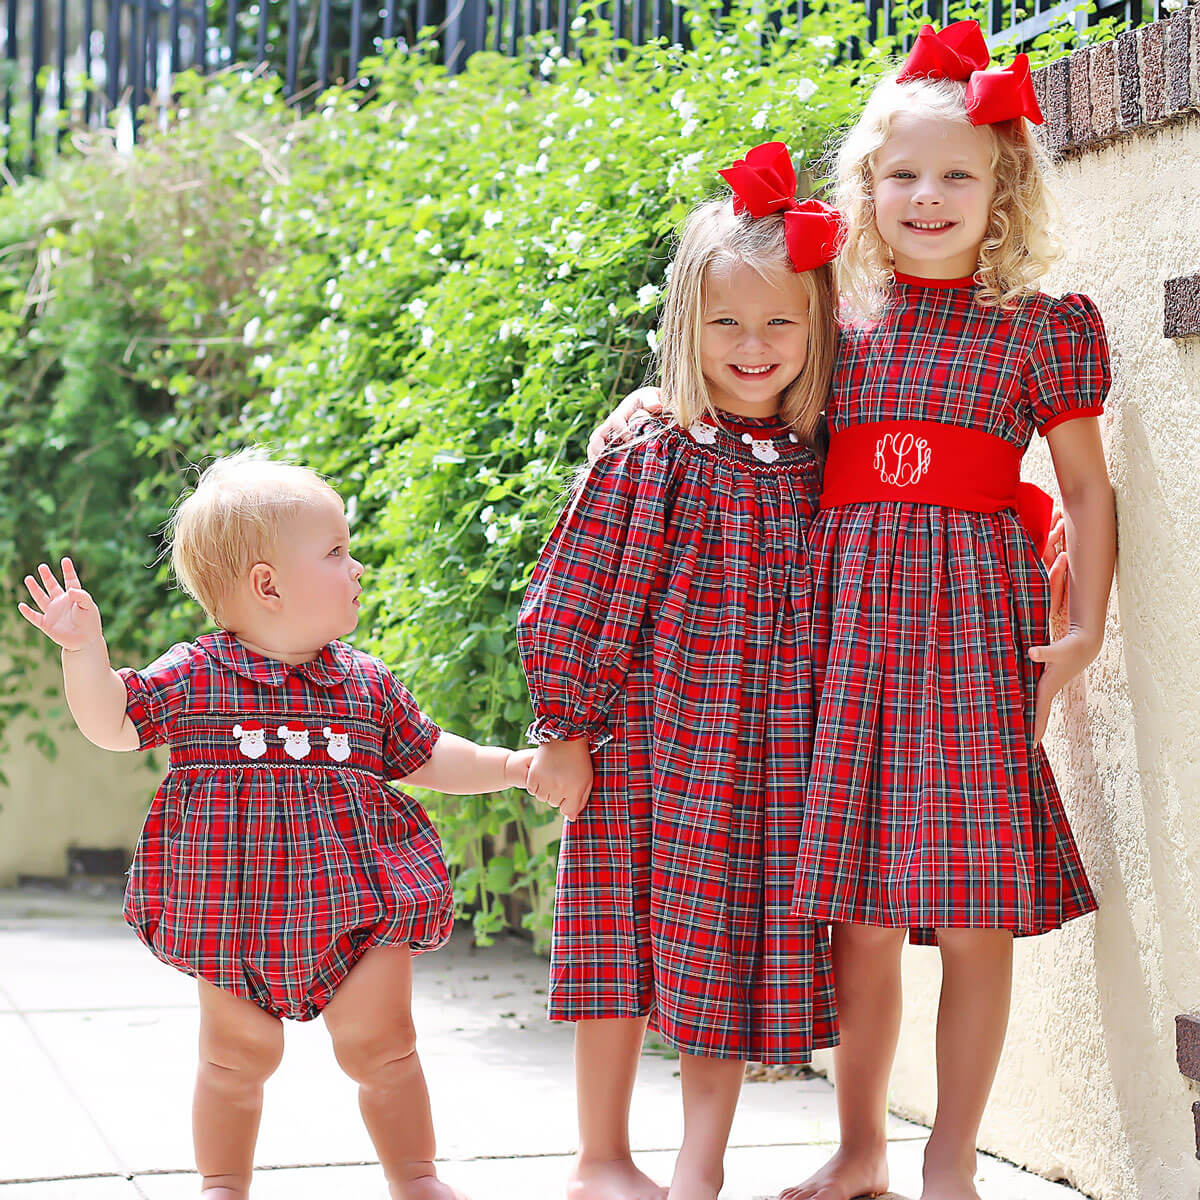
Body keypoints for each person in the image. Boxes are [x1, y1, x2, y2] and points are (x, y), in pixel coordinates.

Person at [591, 24, 1115, 1200]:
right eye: (902, 175)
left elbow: (1083, 486)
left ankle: (947, 1161)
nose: (929, 197)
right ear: (865, 190)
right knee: (861, 915)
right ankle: (863, 1146)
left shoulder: (1036, 327)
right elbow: (743, 377)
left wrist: (1078, 633)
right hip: (838, 641)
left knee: (975, 910)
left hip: (976, 642)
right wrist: (651, 402)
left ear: (1005, 187)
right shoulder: (838, 315)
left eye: (959, 175)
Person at [17, 453, 533, 1200]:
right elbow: (114, 723)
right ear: (268, 585)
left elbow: (429, 754)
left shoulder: (362, 683)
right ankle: (223, 1184)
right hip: (233, 912)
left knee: (383, 1043)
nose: (357, 567)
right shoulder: (196, 676)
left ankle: (416, 1177)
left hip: (358, 900)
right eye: (337, 552)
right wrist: (83, 652)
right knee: (236, 1057)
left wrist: (511, 765)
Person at [517, 142, 844, 1200]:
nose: (753, 347)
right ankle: (600, 1158)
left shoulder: (815, 457)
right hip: (644, 741)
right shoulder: (655, 448)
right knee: (615, 942)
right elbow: (579, 592)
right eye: (726, 324)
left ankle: (699, 1168)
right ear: (685, 328)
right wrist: (564, 728)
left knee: (729, 958)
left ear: (817, 328)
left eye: (778, 324)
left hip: (760, 759)